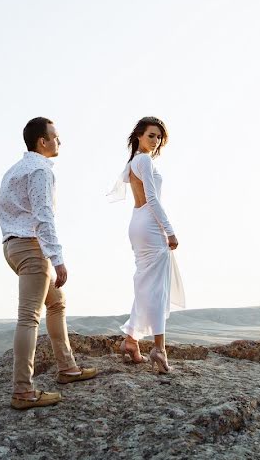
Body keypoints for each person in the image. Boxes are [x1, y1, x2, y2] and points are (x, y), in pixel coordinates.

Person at [0, 117, 98, 409]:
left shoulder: (14, 170)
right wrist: (58, 259)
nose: (59, 141)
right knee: (29, 317)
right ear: (42, 141)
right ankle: (23, 391)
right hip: (31, 247)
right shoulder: (40, 170)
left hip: (12, 246)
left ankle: (67, 368)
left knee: (56, 302)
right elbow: (44, 216)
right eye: (55, 137)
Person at [108, 116, 185, 373]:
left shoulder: (132, 162)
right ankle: (159, 349)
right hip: (149, 224)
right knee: (157, 287)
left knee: (145, 283)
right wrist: (170, 231)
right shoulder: (144, 160)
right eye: (151, 135)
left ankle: (131, 341)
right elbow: (152, 199)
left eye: (159, 137)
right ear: (139, 135)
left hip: (136, 223)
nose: (155, 141)